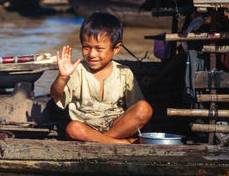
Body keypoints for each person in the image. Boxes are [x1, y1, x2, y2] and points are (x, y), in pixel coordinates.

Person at [51, 12, 153, 144]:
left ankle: (103, 140)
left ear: (116, 49)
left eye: (99, 49)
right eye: (86, 47)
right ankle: (118, 143)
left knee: (145, 108)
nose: (92, 54)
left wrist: (147, 135)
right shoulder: (78, 71)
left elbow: (136, 110)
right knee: (73, 129)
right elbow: (55, 94)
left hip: (116, 127)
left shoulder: (124, 73)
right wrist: (63, 76)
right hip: (86, 129)